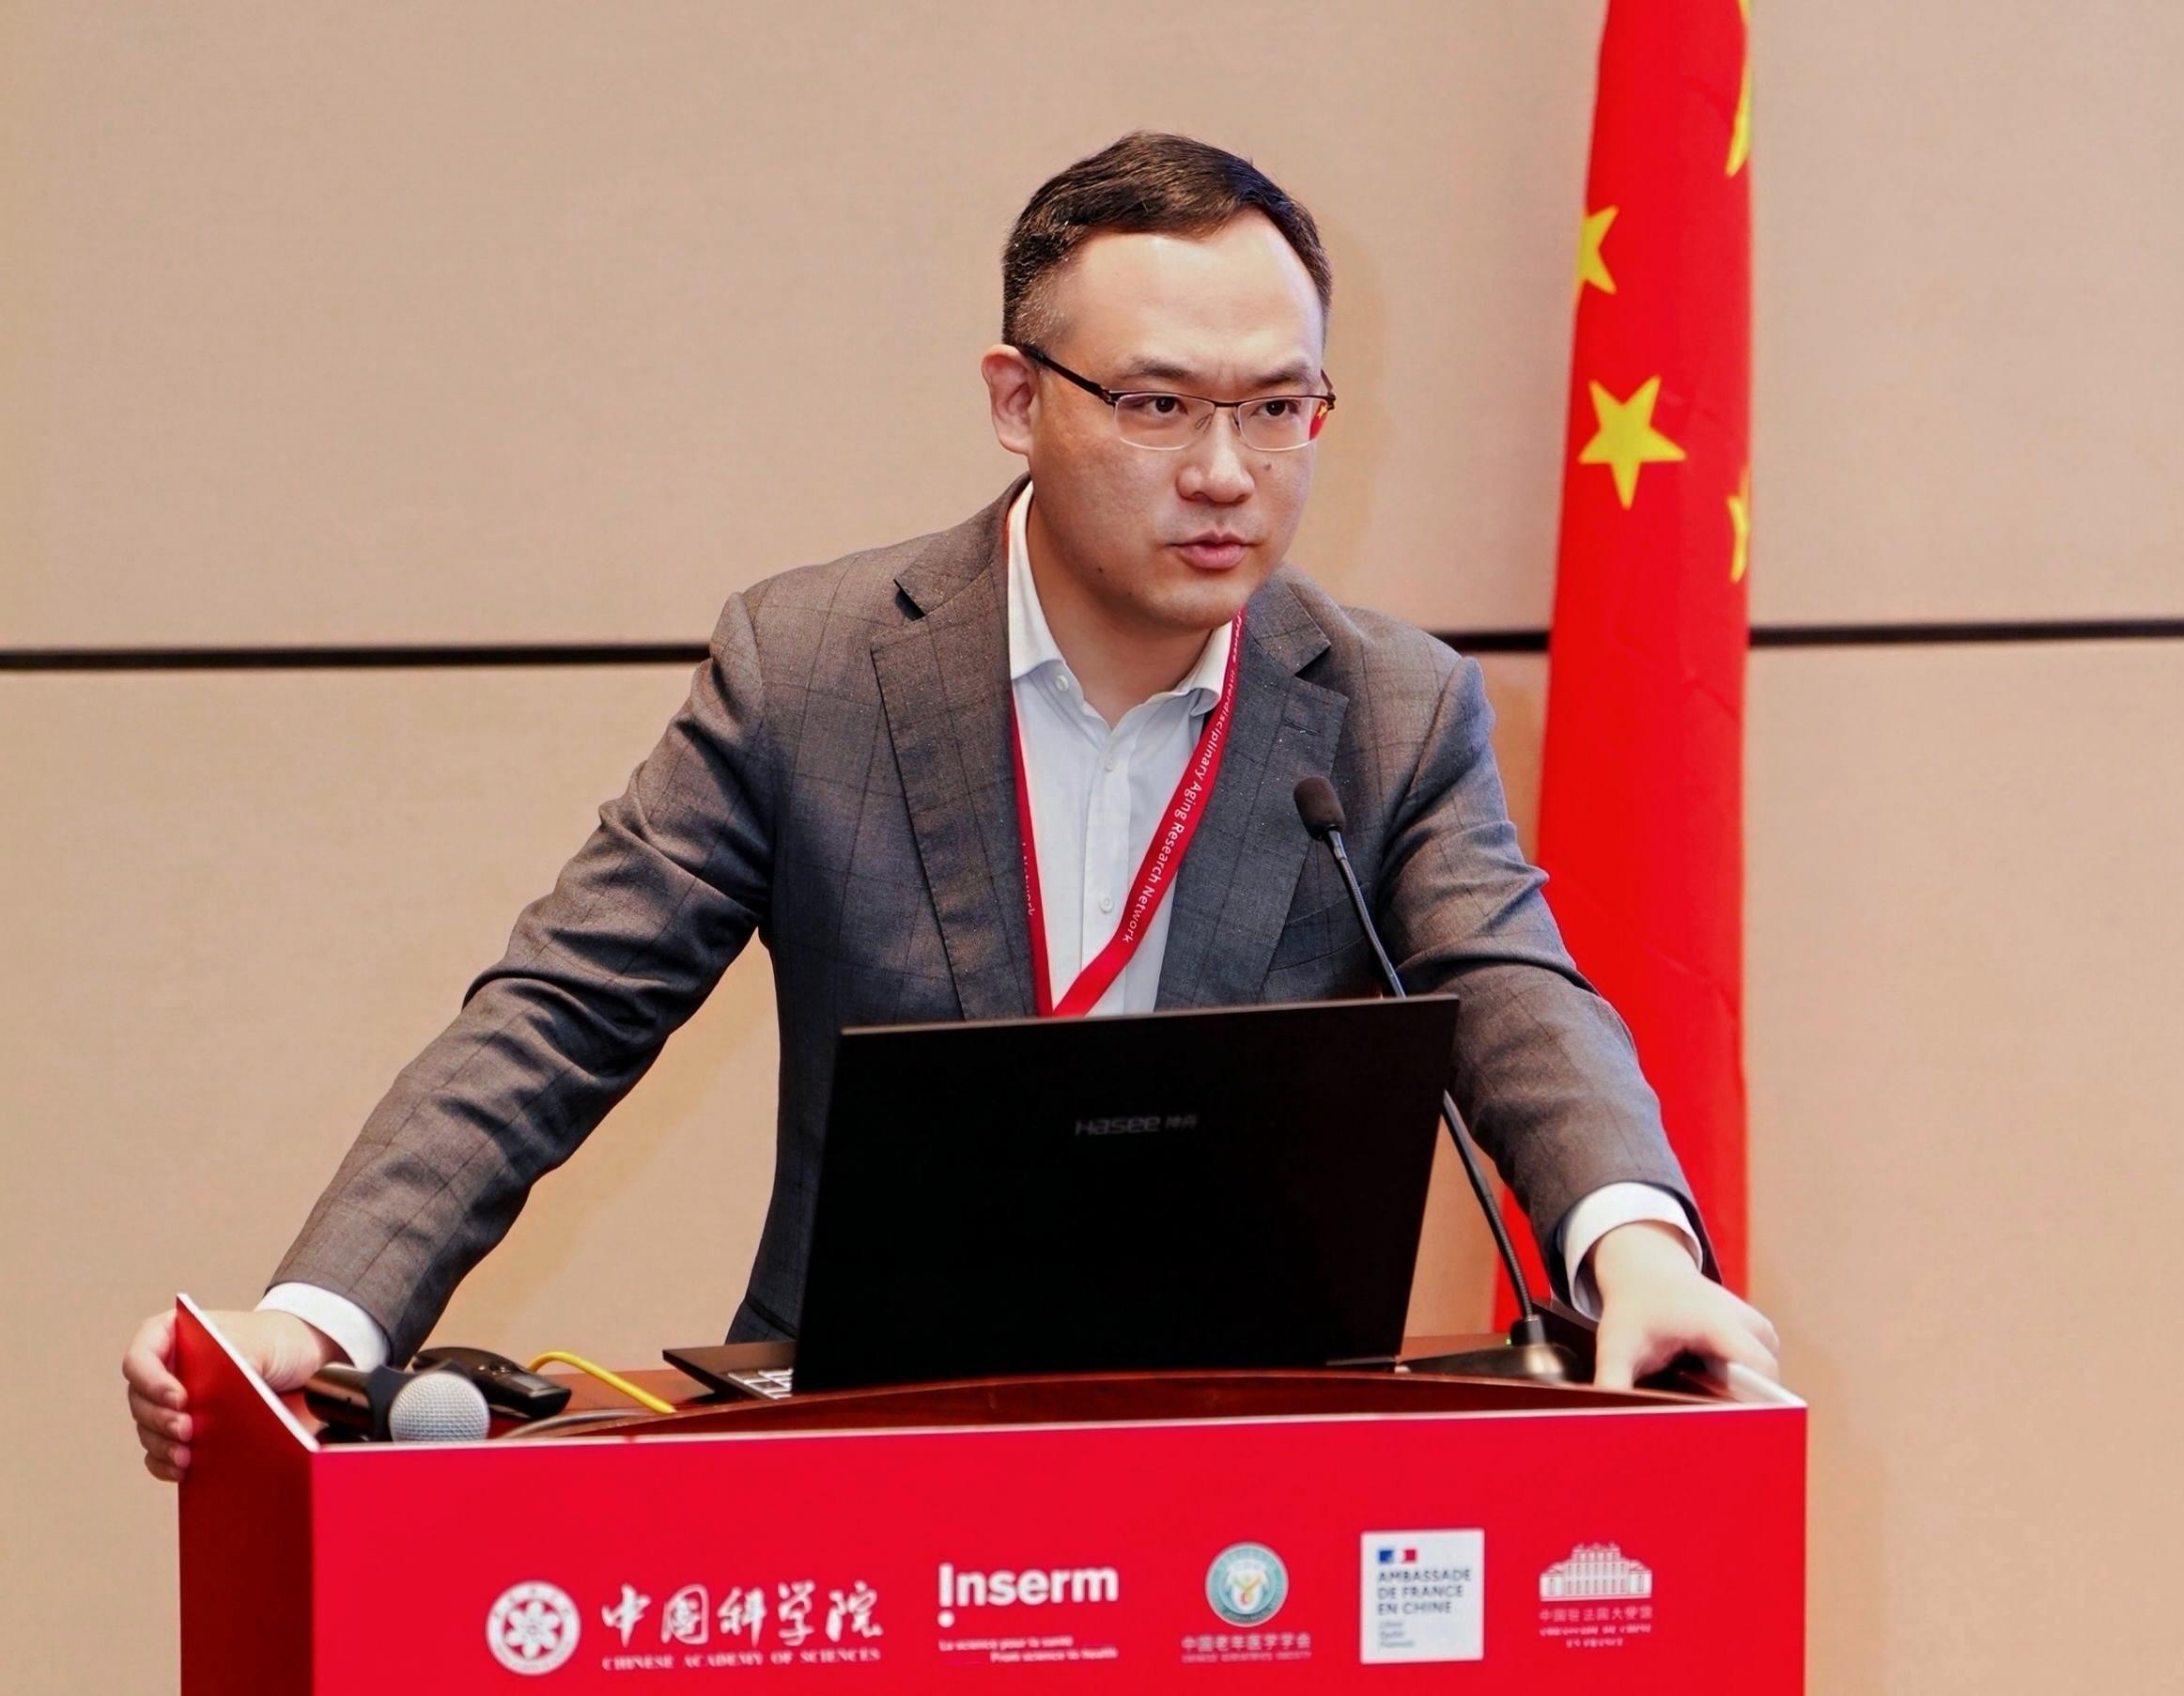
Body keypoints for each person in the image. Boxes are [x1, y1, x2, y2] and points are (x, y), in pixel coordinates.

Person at [124, 132, 1778, 1481]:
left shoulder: (1389, 705)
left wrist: (1632, 1246)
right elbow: (558, 1013)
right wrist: (318, 1320)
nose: (1226, 470)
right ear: (1014, 397)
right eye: (1158, 404)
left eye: (1279, 406)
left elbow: (1511, 989)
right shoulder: (813, 669)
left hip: (1243, 1468)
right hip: (860, 1442)